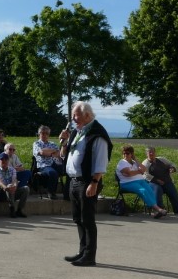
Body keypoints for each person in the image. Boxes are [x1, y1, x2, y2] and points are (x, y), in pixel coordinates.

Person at [58, 101, 112, 267]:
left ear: (87, 115)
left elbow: (101, 163)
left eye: (76, 115)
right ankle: (82, 251)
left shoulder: (97, 134)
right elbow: (62, 156)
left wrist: (94, 182)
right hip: (74, 182)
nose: (73, 119)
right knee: (78, 219)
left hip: (88, 182)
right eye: (73, 115)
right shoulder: (77, 131)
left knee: (88, 220)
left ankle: (89, 256)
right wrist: (64, 142)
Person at [116, 145, 167, 219]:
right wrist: (139, 171)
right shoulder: (122, 162)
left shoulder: (134, 162)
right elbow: (129, 173)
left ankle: (155, 211)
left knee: (150, 190)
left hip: (140, 181)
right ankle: (158, 209)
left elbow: (144, 169)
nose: (125, 155)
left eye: (127, 153)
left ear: (132, 154)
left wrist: (136, 160)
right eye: (124, 153)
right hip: (127, 183)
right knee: (143, 191)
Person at [142, 146, 178, 217]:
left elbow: (172, 164)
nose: (151, 153)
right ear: (146, 154)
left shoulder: (161, 159)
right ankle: (159, 210)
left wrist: (172, 168)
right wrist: (157, 180)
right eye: (149, 152)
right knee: (157, 190)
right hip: (153, 182)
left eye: (153, 151)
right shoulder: (145, 163)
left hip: (166, 181)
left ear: (155, 153)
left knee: (172, 191)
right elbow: (146, 175)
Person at [0, 153, 29, 218]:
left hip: (11, 191)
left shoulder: (12, 169)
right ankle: (12, 209)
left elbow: (15, 179)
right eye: (2, 160)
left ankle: (19, 210)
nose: (4, 161)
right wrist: (5, 187)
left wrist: (14, 186)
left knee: (26, 188)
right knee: (9, 186)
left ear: (8, 161)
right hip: (0, 192)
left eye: (6, 160)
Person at [32, 125, 64, 199]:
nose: (44, 135)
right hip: (43, 165)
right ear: (39, 134)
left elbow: (59, 153)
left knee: (69, 170)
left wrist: (49, 152)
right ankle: (51, 192)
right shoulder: (36, 143)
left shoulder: (52, 143)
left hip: (55, 163)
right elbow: (42, 152)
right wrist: (53, 152)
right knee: (53, 173)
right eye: (42, 133)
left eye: (47, 133)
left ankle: (69, 192)